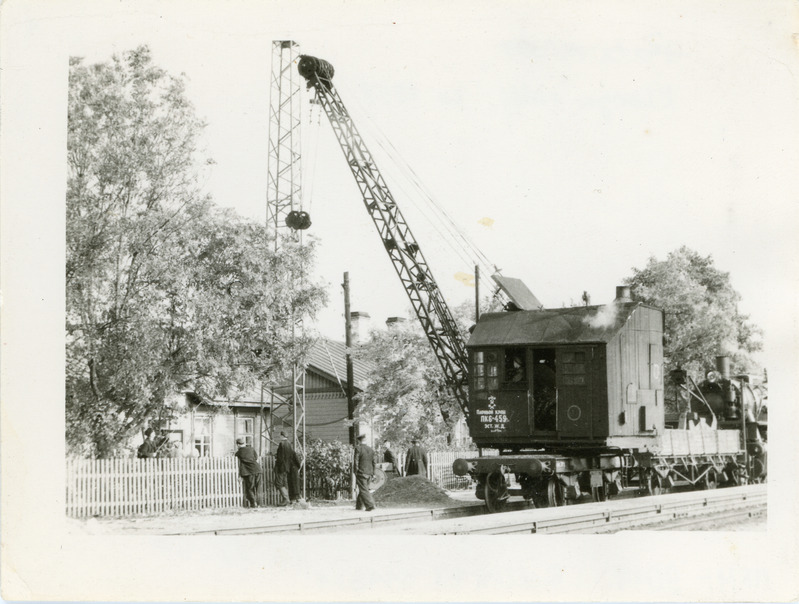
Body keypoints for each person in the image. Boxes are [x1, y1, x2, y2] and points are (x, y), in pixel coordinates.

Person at [235, 437, 262, 508]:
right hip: (258, 469)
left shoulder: (239, 452)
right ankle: (259, 503)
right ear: (244, 443)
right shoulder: (251, 449)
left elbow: (236, 460)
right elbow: (256, 458)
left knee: (250, 488)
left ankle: (253, 504)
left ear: (237, 445)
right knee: (258, 488)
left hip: (249, 472)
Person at [275, 431, 300, 506]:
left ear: (282, 436)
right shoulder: (289, 444)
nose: (279, 437)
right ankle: (289, 499)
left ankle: (286, 499)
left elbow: (280, 458)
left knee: (279, 483)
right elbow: (293, 455)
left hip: (281, 467)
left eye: (280, 436)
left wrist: (277, 464)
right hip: (287, 468)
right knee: (285, 483)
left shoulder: (281, 444)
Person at [353, 434, 376, 511]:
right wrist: (374, 473)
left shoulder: (358, 448)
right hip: (369, 472)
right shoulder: (371, 449)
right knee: (364, 489)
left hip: (361, 472)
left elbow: (356, 461)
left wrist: (356, 471)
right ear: (365, 440)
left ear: (359, 441)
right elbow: (374, 462)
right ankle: (359, 506)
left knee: (364, 490)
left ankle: (370, 505)